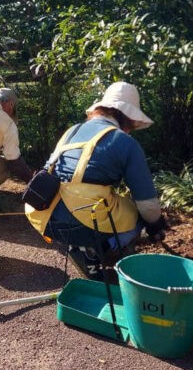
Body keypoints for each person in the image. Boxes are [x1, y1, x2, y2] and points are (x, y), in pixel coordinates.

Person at [25, 81, 168, 282]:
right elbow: (148, 205)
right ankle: (96, 250)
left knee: (108, 202)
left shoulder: (73, 130)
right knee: (138, 215)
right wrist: (156, 224)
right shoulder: (125, 143)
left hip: (42, 214)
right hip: (77, 220)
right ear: (127, 117)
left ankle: (78, 245)